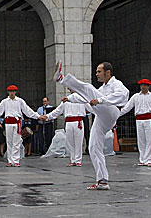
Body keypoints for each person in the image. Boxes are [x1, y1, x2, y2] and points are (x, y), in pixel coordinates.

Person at [50, 60, 129, 190]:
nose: (97, 74)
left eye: (99, 71)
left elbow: (123, 95)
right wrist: (71, 98)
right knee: (93, 147)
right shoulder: (102, 88)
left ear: (107, 72)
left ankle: (61, 79)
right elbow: (87, 98)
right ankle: (102, 180)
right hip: (101, 117)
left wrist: (100, 100)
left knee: (88, 88)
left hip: (111, 111)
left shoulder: (116, 84)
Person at [0, 85, 40, 167]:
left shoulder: (20, 101)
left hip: (17, 122)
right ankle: (10, 160)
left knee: (17, 141)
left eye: (13, 91)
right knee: (9, 141)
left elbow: (27, 110)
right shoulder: (4, 101)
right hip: (8, 123)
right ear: (8, 92)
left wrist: (38, 116)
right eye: (10, 92)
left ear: (15, 92)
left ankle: (16, 160)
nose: (12, 93)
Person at [43, 89, 89, 166]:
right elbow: (58, 111)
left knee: (78, 141)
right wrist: (48, 116)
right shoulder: (66, 100)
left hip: (78, 121)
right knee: (70, 141)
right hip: (69, 121)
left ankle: (77, 159)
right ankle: (73, 159)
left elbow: (90, 107)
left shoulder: (81, 99)